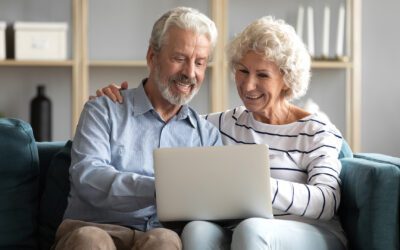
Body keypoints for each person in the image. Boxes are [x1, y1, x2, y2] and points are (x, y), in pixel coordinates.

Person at [97, 16, 347, 250]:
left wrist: (260, 188)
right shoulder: (222, 125)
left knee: (252, 228)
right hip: (240, 230)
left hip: (310, 231)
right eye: (243, 71)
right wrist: (120, 104)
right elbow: (164, 123)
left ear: (287, 79)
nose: (248, 85)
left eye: (262, 75)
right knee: (197, 230)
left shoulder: (316, 130)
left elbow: (325, 202)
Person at [53, 7, 221, 250]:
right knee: (91, 240)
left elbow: (214, 202)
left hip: (158, 235)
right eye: (179, 58)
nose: (189, 72)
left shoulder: (206, 135)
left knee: (166, 240)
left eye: (200, 62)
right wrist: (160, 189)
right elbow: (88, 177)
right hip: (95, 227)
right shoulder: (104, 110)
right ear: (152, 57)